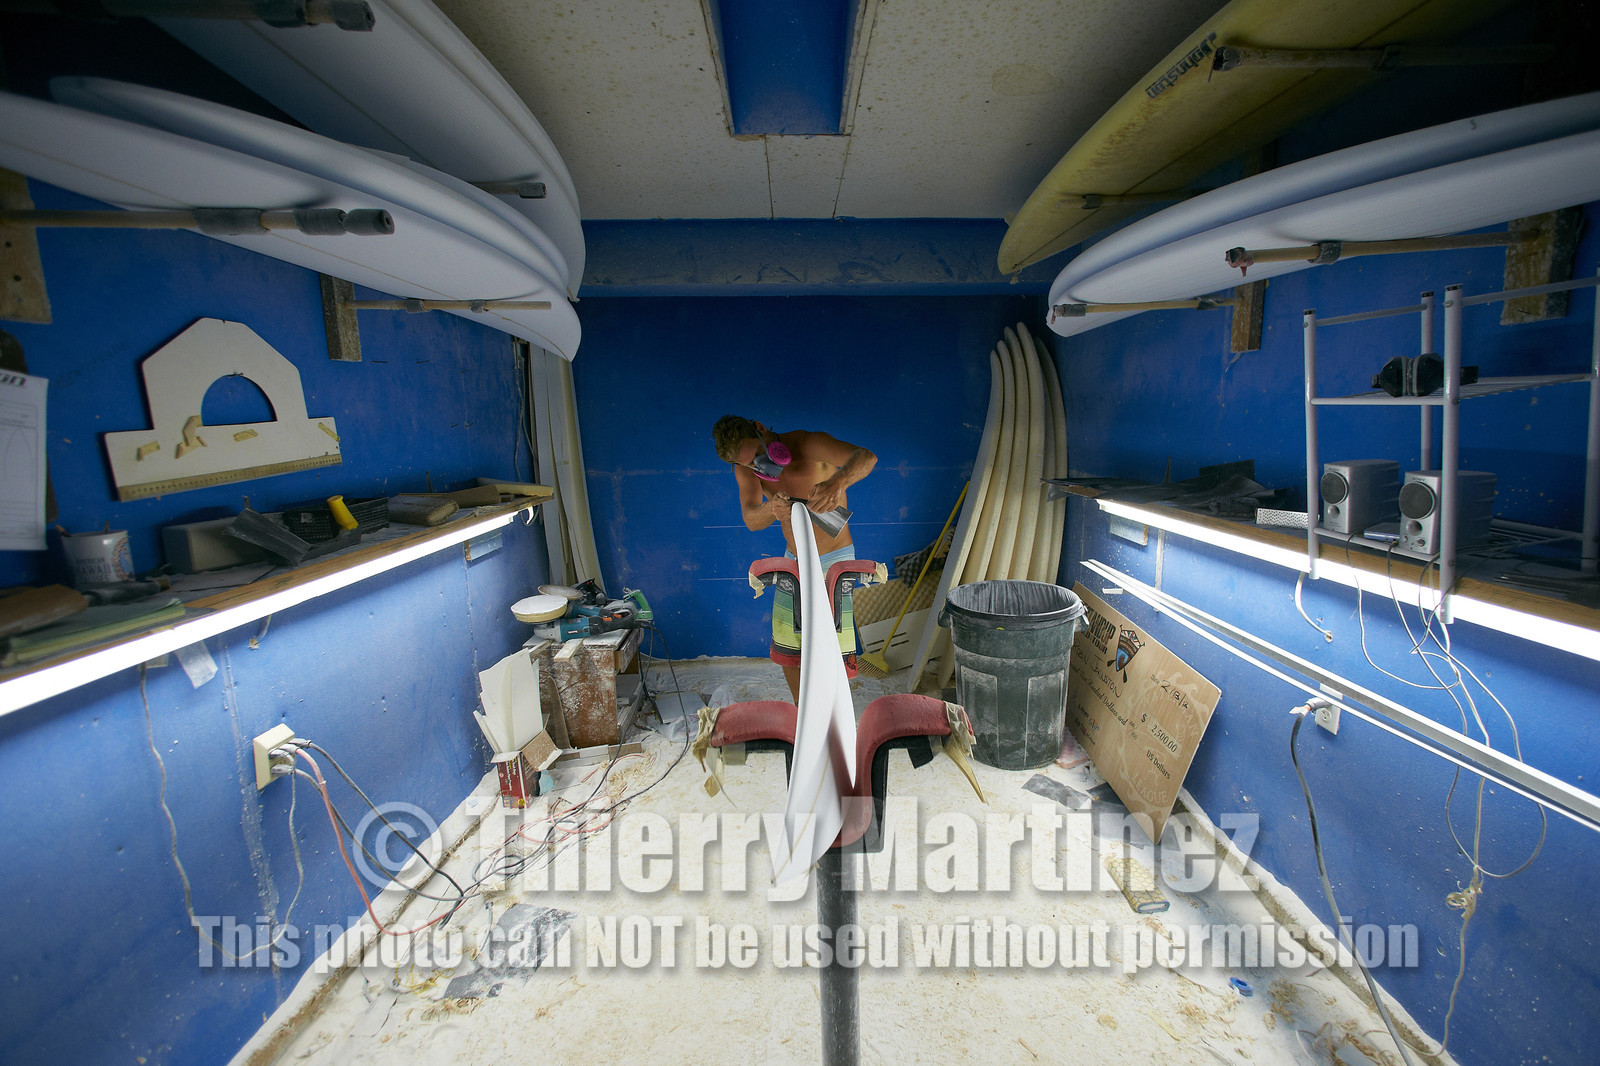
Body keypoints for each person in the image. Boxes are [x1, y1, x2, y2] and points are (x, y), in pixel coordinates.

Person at [712, 415, 877, 702]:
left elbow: (867, 457)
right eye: (751, 464)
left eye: (760, 455)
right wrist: (770, 510)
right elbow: (751, 518)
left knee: (835, 644)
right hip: (795, 560)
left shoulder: (809, 444)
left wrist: (837, 482)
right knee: (791, 645)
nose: (760, 466)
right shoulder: (745, 469)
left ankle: (834, 713)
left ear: (761, 429)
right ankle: (805, 715)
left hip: (834, 558)